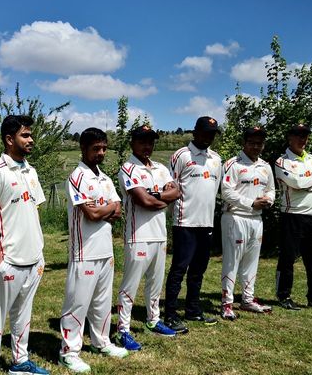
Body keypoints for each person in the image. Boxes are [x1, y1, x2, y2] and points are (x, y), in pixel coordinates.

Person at [0, 115, 48, 375]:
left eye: (31, 134)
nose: (31, 140)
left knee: (23, 315)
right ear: (10, 139)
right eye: (25, 135)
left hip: (33, 258)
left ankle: (20, 361)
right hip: (9, 260)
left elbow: (35, 210)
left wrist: (39, 251)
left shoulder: (31, 170)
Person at [58, 128, 127, 373]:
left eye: (103, 148)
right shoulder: (77, 177)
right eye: (95, 148)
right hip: (84, 250)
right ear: (83, 149)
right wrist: (106, 208)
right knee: (77, 303)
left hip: (105, 250)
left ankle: (101, 342)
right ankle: (69, 352)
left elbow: (118, 211)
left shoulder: (105, 179)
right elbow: (91, 214)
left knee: (102, 302)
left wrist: (104, 209)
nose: (100, 153)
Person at [116, 125, 180, 350]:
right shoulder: (128, 168)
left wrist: (155, 197)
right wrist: (162, 199)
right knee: (130, 285)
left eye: (151, 142)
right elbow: (143, 201)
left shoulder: (161, 168)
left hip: (160, 235)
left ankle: (153, 320)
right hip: (138, 235)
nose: (148, 146)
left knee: (155, 283)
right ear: (132, 142)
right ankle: (122, 330)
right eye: (143, 141)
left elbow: (177, 192)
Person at [164, 116, 222, 333]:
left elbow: (216, 188)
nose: (208, 137)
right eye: (205, 132)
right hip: (185, 222)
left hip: (206, 222)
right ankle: (170, 313)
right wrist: (176, 215)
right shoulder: (181, 155)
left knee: (198, 269)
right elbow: (170, 186)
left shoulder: (216, 158)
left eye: (212, 134)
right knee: (179, 269)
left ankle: (193, 309)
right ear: (195, 132)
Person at [274, 123, 312, 312]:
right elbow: (296, 182)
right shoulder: (282, 161)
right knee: (287, 259)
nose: (303, 139)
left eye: (305, 136)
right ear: (289, 138)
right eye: (298, 135)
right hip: (292, 214)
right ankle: (283, 296)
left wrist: (305, 184)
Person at [220, 126, 275, 320]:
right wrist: (251, 203)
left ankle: (247, 299)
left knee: (251, 262)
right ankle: (227, 303)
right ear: (244, 143)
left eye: (259, 143)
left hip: (256, 219)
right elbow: (226, 192)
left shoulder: (265, 166)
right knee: (232, 261)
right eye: (251, 142)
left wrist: (268, 201)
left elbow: (271, 190)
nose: (255, 146)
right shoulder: (232, 164)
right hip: (235, 217)